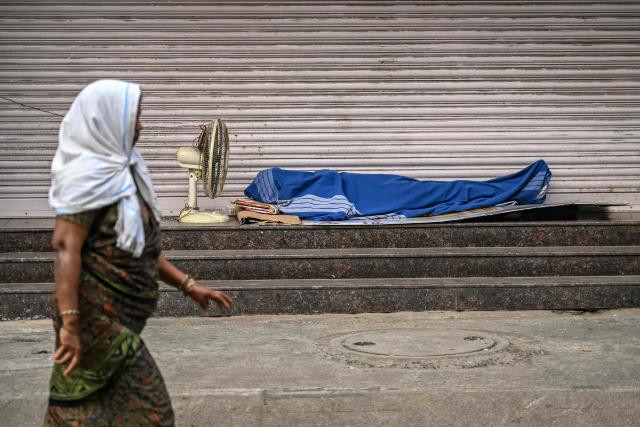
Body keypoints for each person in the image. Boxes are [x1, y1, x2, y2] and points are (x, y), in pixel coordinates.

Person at [44, 79, 231, 426]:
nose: (141, 126)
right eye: (136, 118)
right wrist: (71, 323)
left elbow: (139, 249)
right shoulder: (86, 176)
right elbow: (65, 248)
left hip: (117, 314)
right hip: (93, 318)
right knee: (153, 413)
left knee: (79, 409)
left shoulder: (127, 172)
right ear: (108, 120)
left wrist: (189, 286)